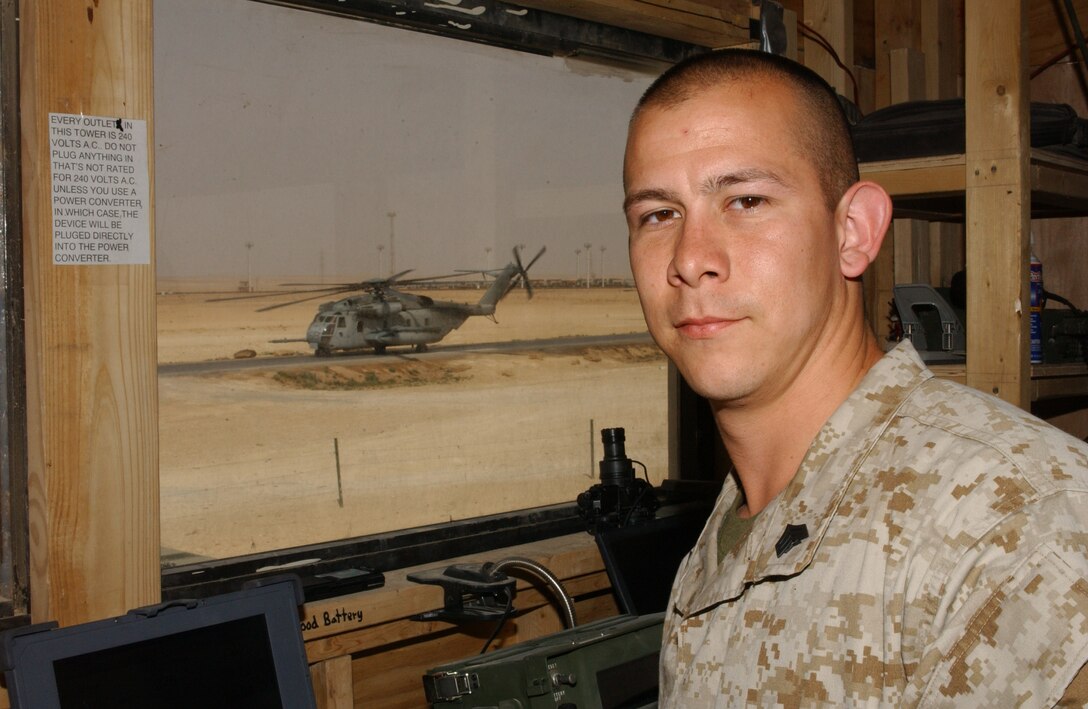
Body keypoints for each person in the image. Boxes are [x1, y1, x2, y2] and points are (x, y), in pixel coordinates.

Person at [623, 48, 1088, 706]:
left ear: (854, 230)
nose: (691, 259)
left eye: (746, 200)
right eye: (657, 215)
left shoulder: (1011, 524)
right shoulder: (732, 534)